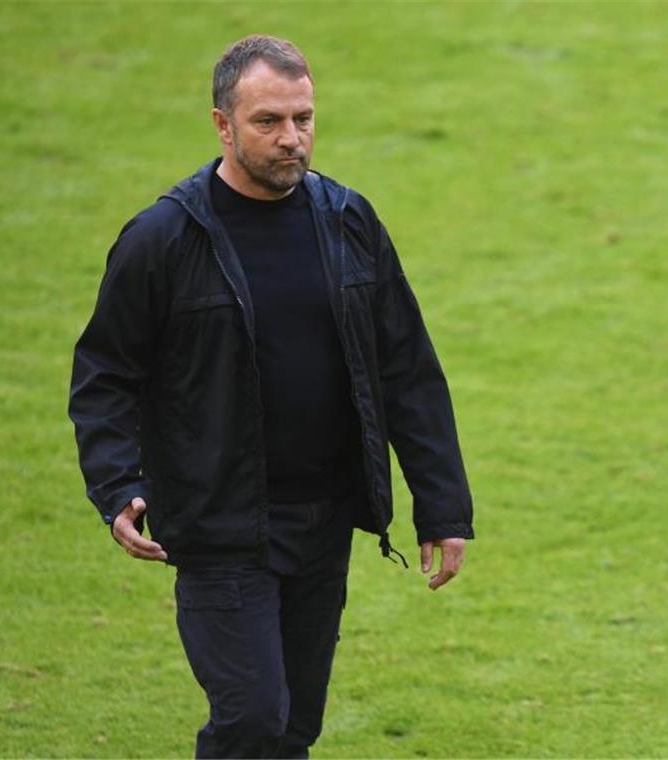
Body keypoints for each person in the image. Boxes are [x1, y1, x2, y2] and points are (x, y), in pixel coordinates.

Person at [68, 34, 474, 758]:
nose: (292, 139)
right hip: (220, 524)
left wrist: (441, 507)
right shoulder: (163, 239)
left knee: (292, 731)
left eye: (304, 118)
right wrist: (117, 484)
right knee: (252, 719)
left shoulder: (350, 221)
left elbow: (407, 369)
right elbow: (105, 373)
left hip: (322, 522)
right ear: (223, 125)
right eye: (268, 122)